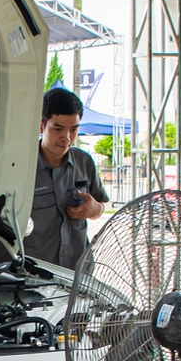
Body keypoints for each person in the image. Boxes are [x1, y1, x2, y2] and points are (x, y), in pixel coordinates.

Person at [23, 87, 109, 268]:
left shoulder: (84, 162)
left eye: (74, 129)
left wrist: (95, 210)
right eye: (58, 129)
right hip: (34, 275)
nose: (66, 138)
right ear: (41, 126)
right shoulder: (21, 167)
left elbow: (100, 207)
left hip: (78, 272)